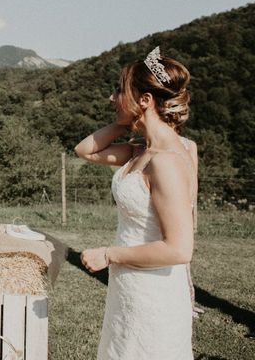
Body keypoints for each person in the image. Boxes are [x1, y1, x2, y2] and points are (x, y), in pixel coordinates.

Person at [75, 46, 197, 359]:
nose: (112, 98)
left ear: (145, 100)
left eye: (120, 91)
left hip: (153, 292)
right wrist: (126, 121)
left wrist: (108, 254)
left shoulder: (167, 160)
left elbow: (179, 249)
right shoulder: (140, 150)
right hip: (129, 287)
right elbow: (84, 150)